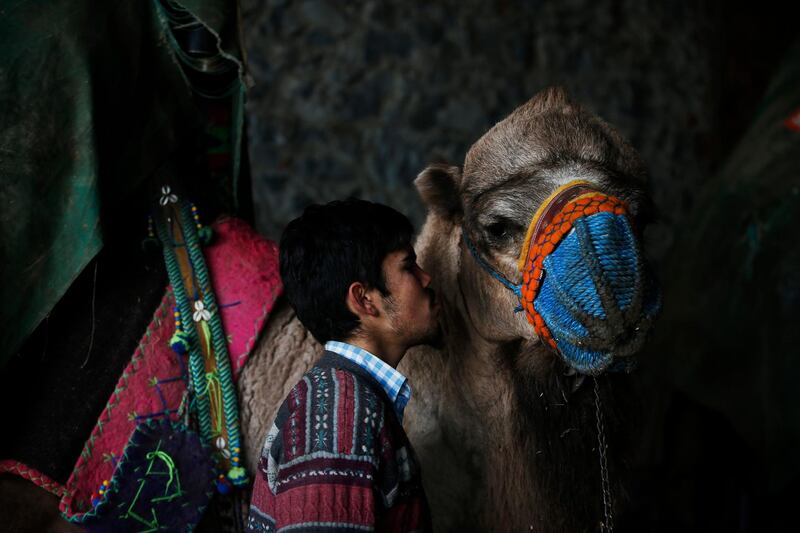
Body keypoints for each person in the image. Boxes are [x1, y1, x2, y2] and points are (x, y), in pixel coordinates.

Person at [246, 198, 439, 532]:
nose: (426, 278)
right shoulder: (338, 414)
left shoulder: (345, 400)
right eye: (409, 266)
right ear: (365, 299)